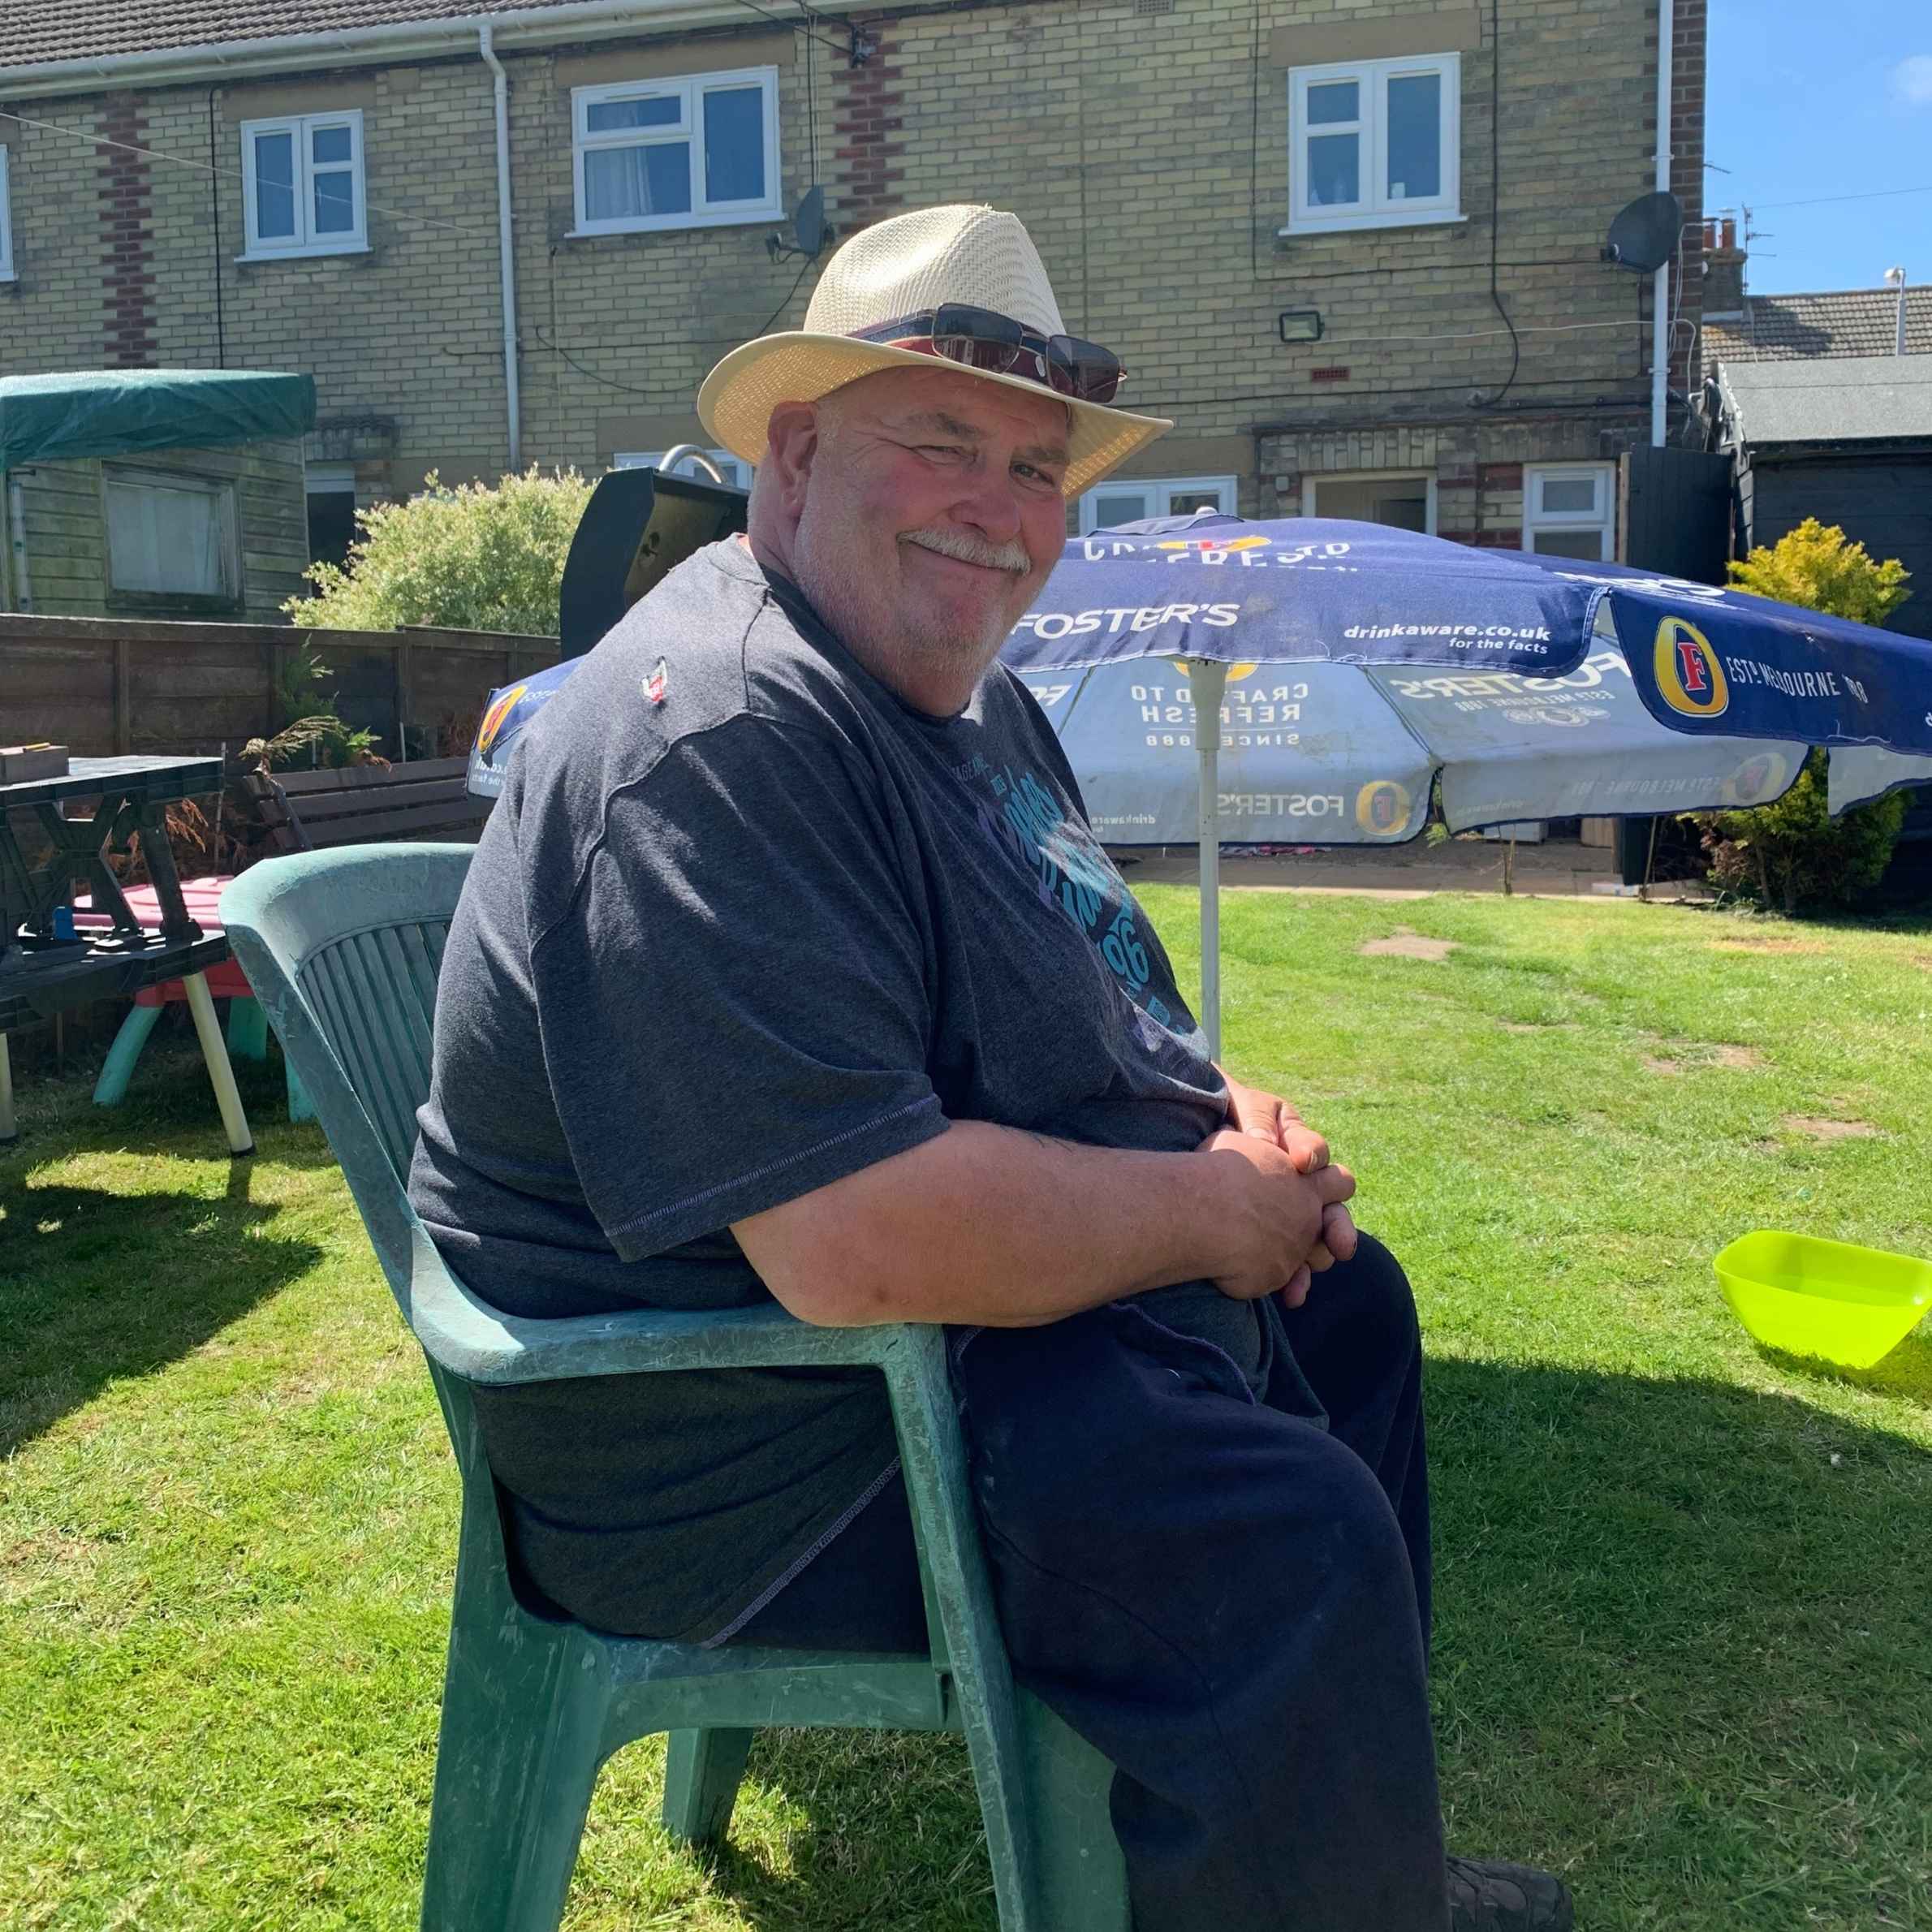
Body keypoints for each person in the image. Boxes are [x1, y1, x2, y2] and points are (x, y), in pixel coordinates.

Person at [409, 203, 1572, 1931]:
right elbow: (846, 1243)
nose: (1001, 511)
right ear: (792, 455)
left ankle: (1347, 1862)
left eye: (1036, 469)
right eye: (939, 440)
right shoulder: (719, 731)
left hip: (911, 1347)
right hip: (751, 1441)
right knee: (1282, 1536)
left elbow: (1103, 995)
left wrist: (1218, 1111)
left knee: (1354, 1307)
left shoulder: (967, 698)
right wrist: (1196, 1213)